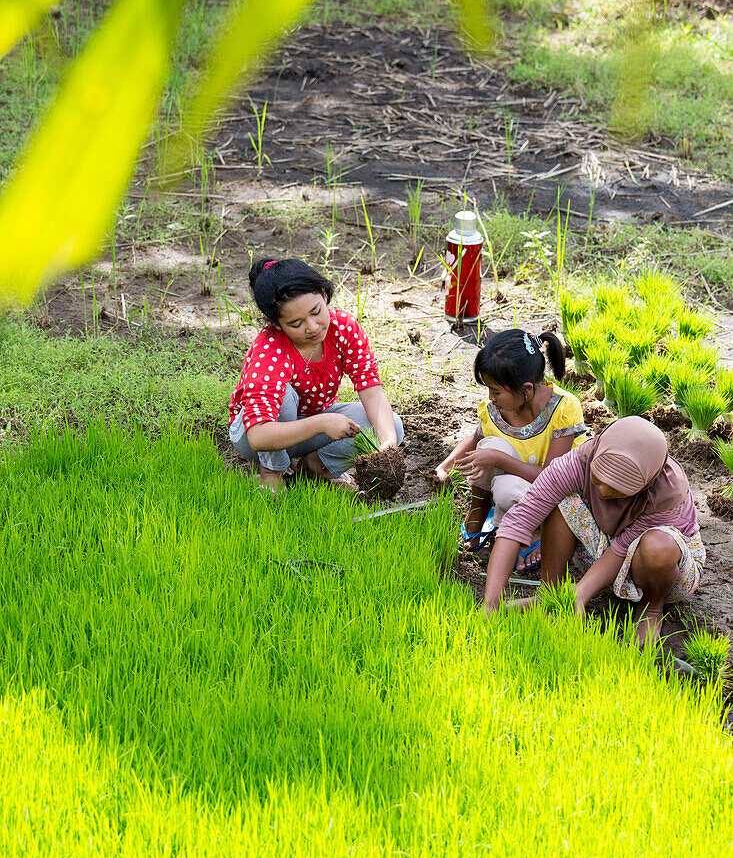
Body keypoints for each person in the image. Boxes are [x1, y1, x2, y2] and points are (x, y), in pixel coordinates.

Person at [482, 416, 705, 647]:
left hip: (663, 571)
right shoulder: (578, 461)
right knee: (561, 499)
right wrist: (491, 604)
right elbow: (519, 521)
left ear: (645, 483)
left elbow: (622, 549)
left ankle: (652, 607)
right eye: (597, 481)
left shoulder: (667, 492)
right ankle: (551, 595)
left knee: (658, 546)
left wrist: (581, 594)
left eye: (619, 491)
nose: (604, 492)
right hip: (605, 549)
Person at [229, 257, 403, 490]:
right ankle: (271, 472)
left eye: (316, 311)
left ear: (324, 293)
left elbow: (371, 390)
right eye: (296, 323)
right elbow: (258, 436)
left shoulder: (343, 328)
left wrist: (388, 444)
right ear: (277, 323)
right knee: (284, 397)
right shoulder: (270, 350)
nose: (312, 327)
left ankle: (315, 468)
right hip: (255, 435)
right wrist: (322, 423)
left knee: (390, 425)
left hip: (311, 425)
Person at [436, 328, 585, 569]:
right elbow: (476, 438)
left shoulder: (563, 409)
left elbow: (553, 478)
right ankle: (478, 511)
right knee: (489, 444)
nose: (490, 397)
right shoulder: (496, 407)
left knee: (504, 483)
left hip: (552, 497)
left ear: (526, 389)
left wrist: (499, 459)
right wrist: (444, 468)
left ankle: (534, 531)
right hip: (515, 486)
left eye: (495, 391)